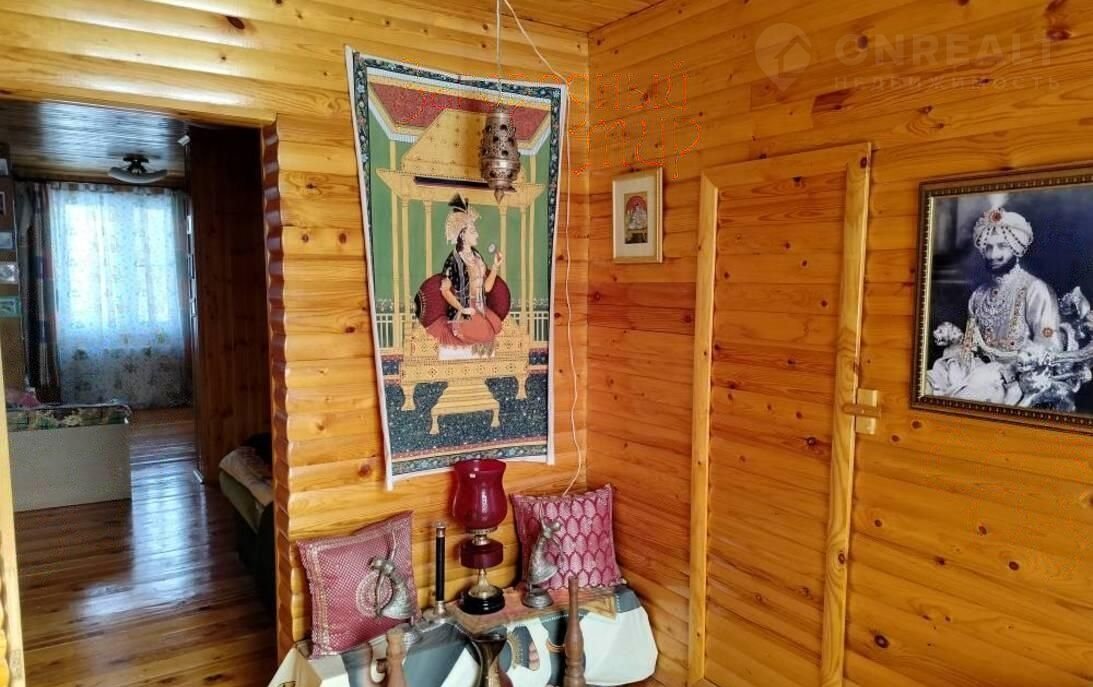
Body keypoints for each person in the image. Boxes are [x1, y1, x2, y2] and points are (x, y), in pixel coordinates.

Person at [944, 207, 1062, 403]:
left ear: (1016, 248)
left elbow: (1049, 345)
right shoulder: (978, 295)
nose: (993, 255)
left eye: (1002, 246)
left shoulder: (1035, 290)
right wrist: (955, 354)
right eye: (988, 247)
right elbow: (969, 344)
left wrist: (1009, 372)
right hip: (976, 372)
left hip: (1016, 381)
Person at [423, 194, 505, 351]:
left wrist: (495, 266)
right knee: (487, 333)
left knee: (497, 326)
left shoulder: (477, 256)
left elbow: (486, 288)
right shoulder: (453, 261)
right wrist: (462, 309)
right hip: (463, 311)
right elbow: (445, 291)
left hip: (480, 307)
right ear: (462, 234)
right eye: (473, 231)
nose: (477, 234)